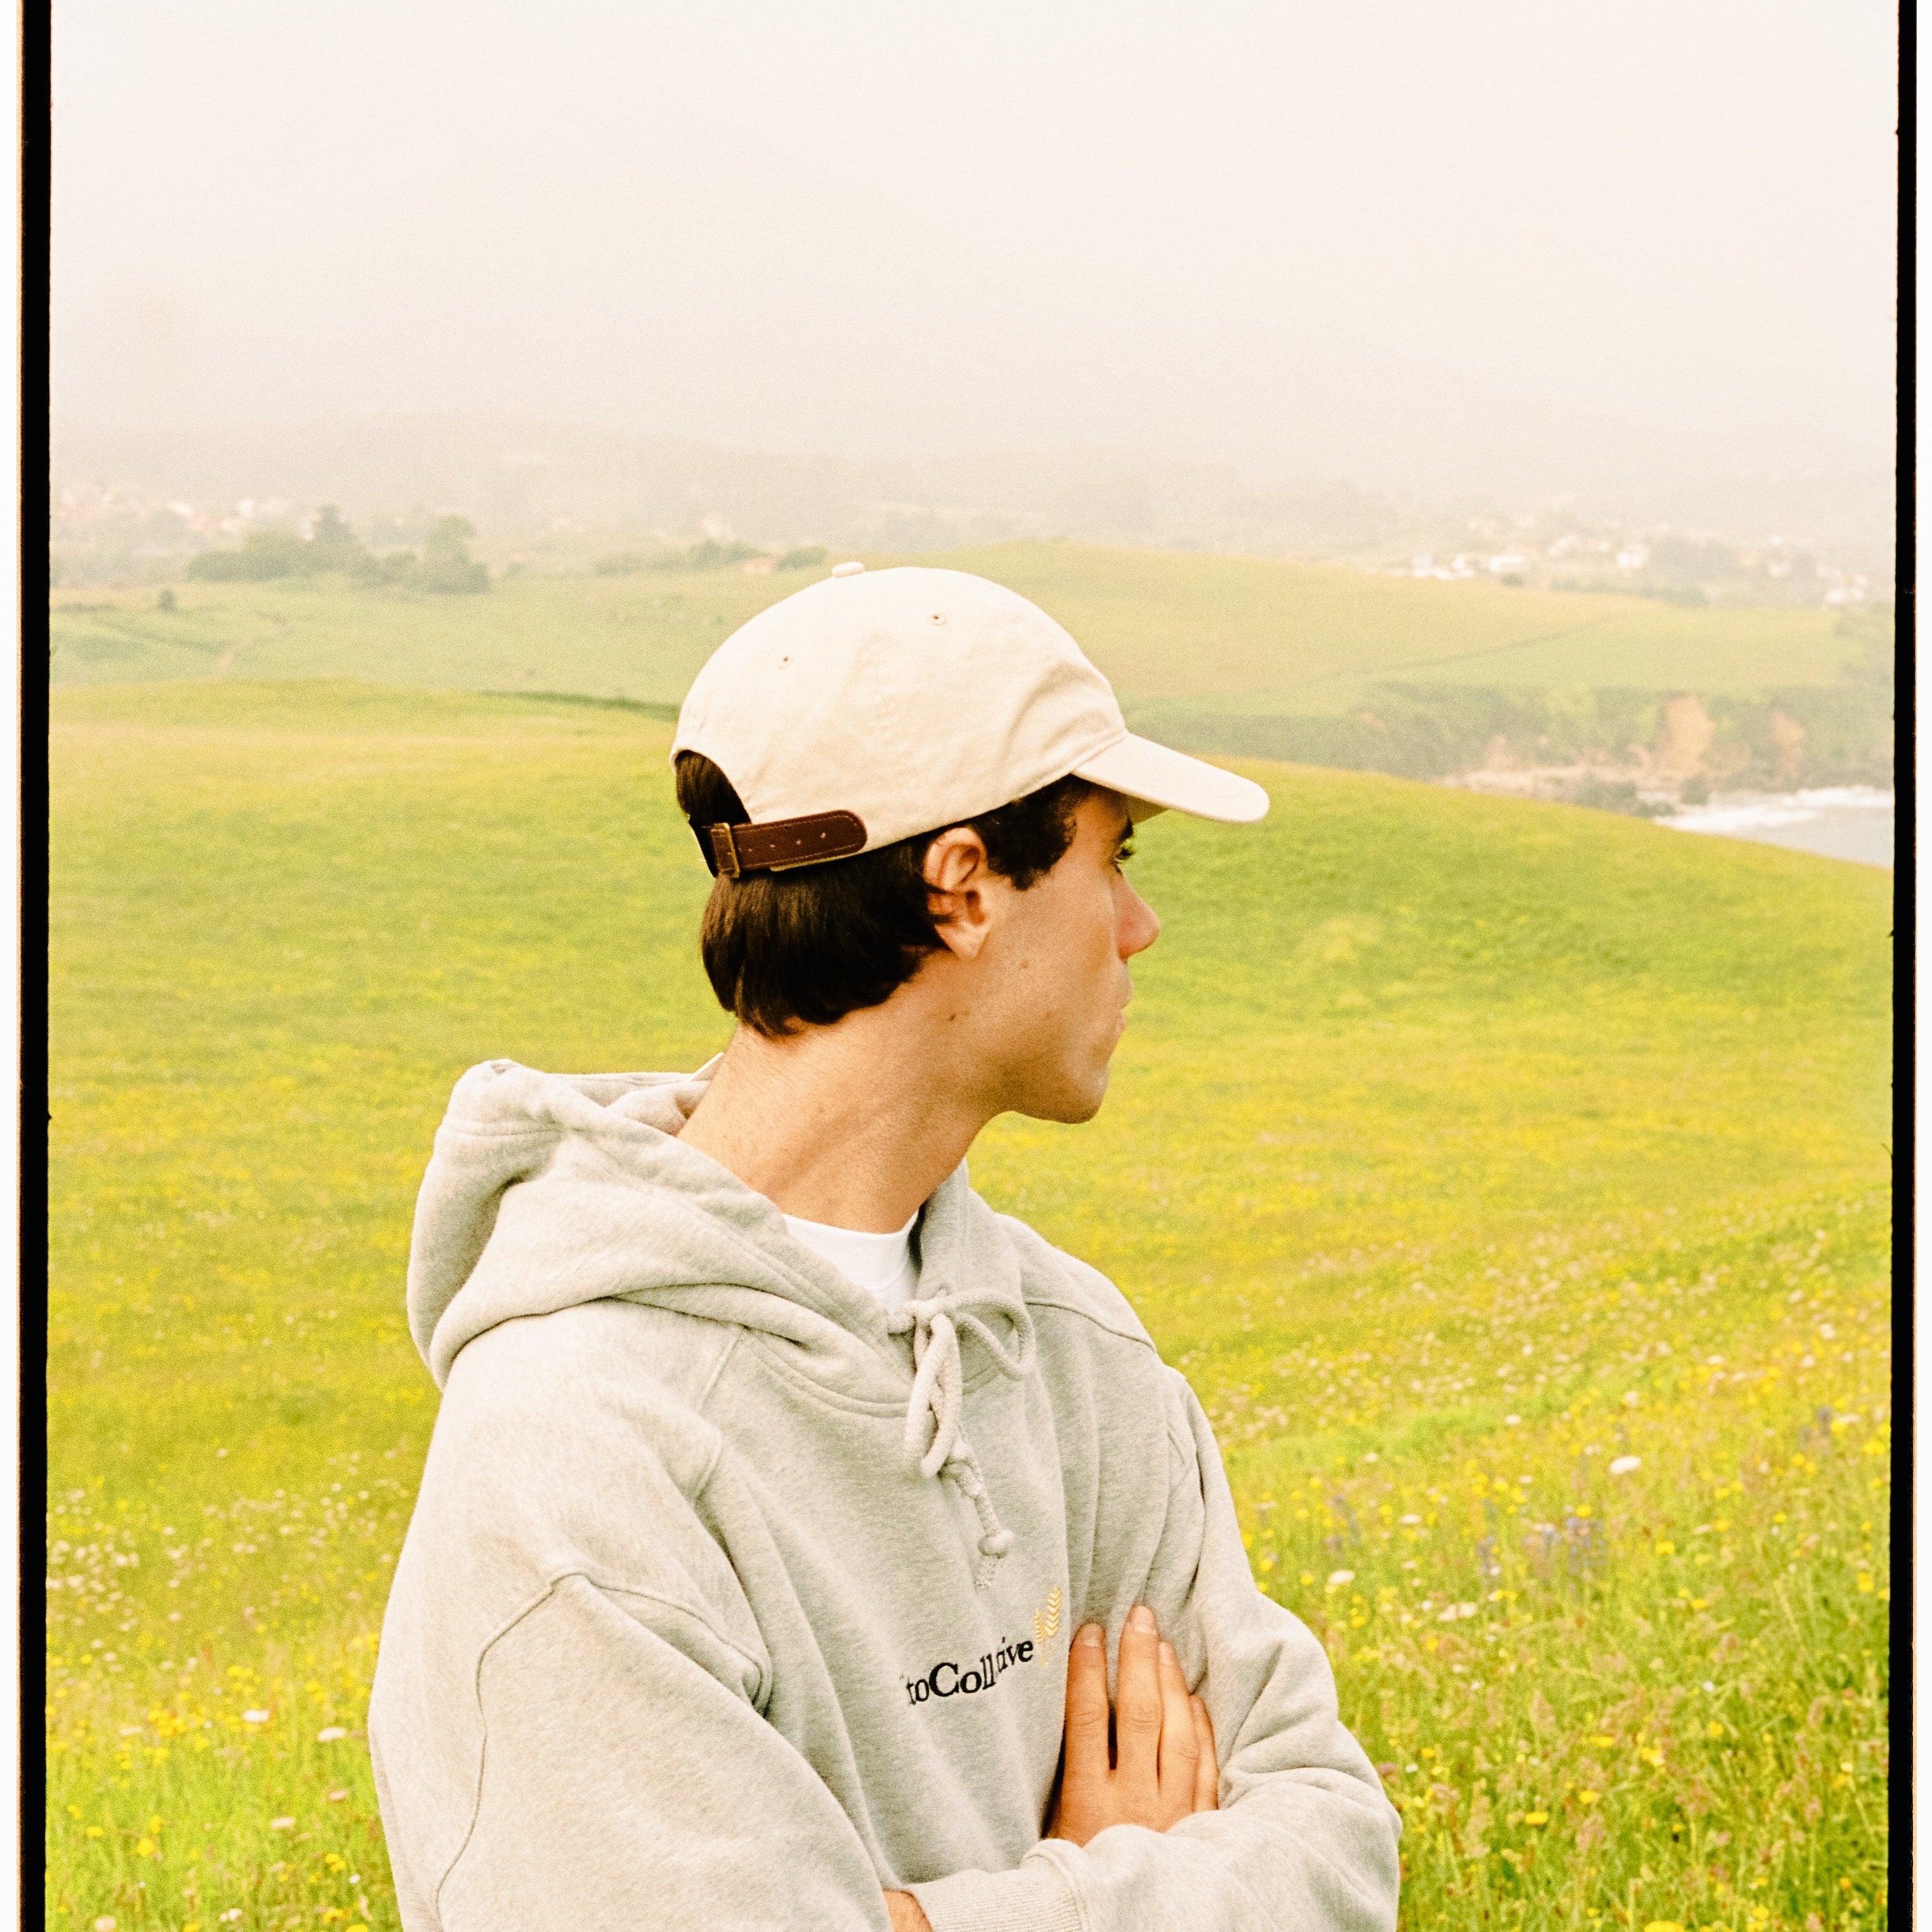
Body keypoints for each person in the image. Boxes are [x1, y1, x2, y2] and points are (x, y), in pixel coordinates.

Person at [368, 564, 1401, 1930]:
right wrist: (1118, 1887)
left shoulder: (1073, 1353)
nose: (1142, 929)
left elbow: (1333, 1846)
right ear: (964, 888)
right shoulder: (576, 1460)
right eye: (1116, 859)